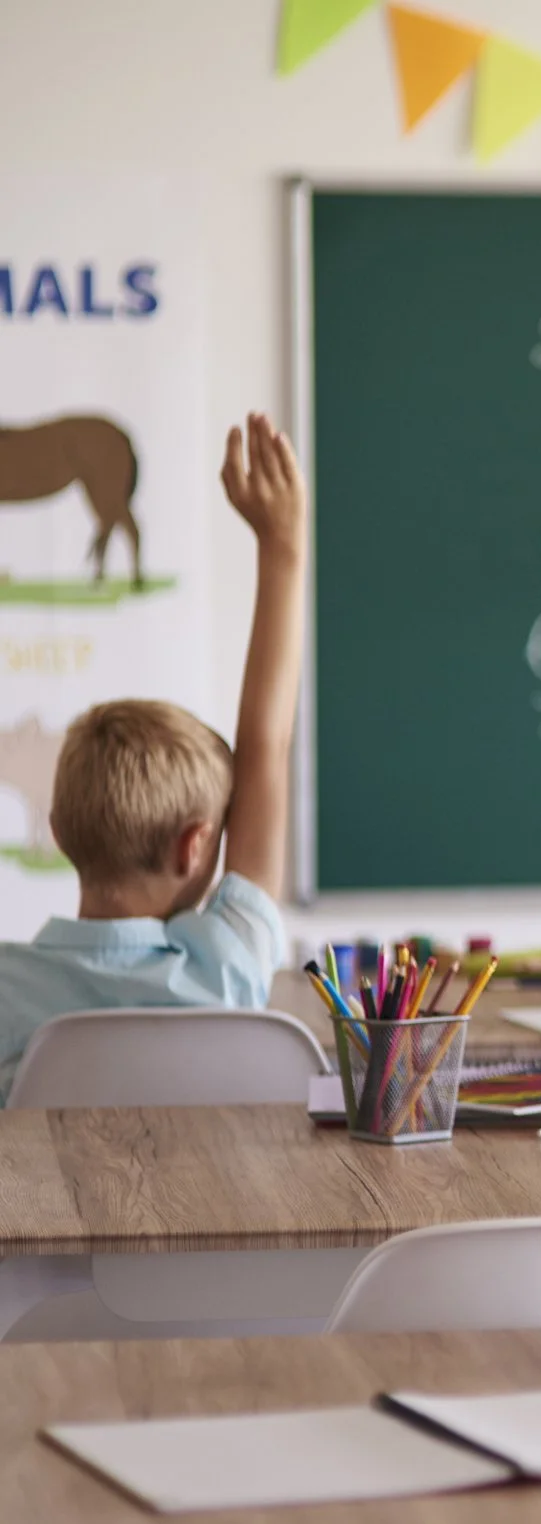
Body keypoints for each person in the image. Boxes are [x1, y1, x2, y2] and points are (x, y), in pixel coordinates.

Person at [0, 415, 309, 1099]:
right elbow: (268, 745)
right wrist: (281, 543)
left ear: (57, 831)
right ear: (197, 844)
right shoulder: (224, 967)